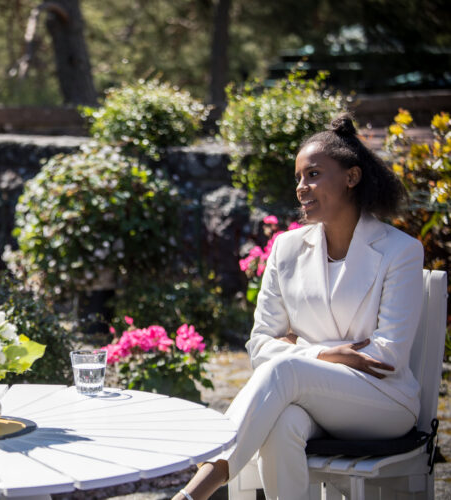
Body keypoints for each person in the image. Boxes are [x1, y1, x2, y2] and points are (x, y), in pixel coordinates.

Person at [174, 114, 423, 500]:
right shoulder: (287, 249)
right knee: (283, 421)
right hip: (310, 401)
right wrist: (327, 353)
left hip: (384, 402)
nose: (301, 188)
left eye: (313, 175)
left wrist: (299, 351)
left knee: (286, 368)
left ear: (351, 178)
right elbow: (260, 346)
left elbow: (386, 354)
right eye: (298, 178)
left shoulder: (400, 251)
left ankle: (195, 492)